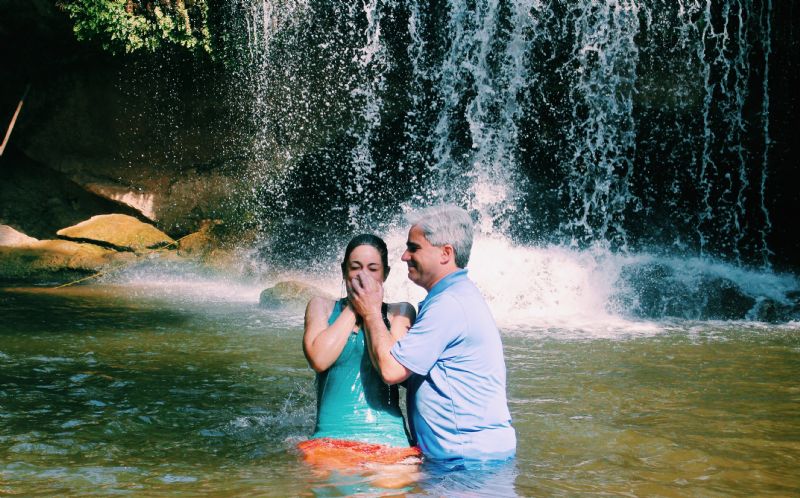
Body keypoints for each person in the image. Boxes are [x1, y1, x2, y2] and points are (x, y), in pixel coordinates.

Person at [349, 205, 516, 463]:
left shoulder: (448, 304)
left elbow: (392, 371)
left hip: (467, 461)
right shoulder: (455, 296)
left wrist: (371, 311)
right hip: (468, 457)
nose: (404, 256)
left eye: (413, 248)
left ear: (445, 253)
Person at [298, 233, 420, 468]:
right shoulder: (320, 306)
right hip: (329, 439)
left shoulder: (400, 312)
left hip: (389, 440)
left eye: (373, 269)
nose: (363, 275)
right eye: (355, 267)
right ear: (344, 271)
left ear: (385, 273)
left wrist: (372, 311)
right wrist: (356, 306)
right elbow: (319, 359)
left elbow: (391, 368)